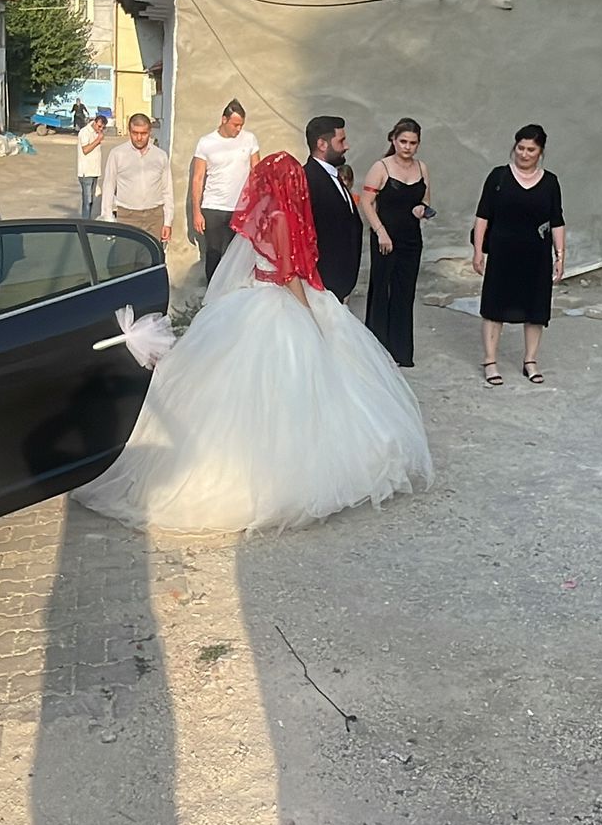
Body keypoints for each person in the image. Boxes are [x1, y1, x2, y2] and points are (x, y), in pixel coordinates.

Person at [73, 152, 433, 532]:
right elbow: (287, 273)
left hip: (253, 294)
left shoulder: (260, 211)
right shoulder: (282, 217)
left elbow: (252, 262)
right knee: (298, 384)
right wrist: (310, 313)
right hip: (279, 299)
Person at [473, 124, 565, 387]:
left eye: (531, 150)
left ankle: (530, 360)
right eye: (520, 148)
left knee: (536, 309)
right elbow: (482, 216)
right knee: (494, 307)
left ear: (541, 152)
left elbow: (557, 220)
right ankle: (490, 361)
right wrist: (478, 251)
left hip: (537, 255)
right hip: (502, 254)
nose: (524, 154)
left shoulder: (550, 182)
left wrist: (560, 256)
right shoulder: (498, 177)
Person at [359, 118, 431, 367]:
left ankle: (401, 352)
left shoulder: (422, 168)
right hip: (385, 238)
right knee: (381, 289)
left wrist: (422, 209)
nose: (407, 147)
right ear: (393, 139)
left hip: (411, 238)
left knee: (405, 292)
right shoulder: (381, 167)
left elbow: (426, 200)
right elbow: (366, 202)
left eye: (413, 143)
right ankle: (377, 350)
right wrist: (381, 232)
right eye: (403, 141)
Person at [191, 100, 260, 280]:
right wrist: (196, 211)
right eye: (235, 125)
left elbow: (257, 172)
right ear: (224, 120)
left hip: (240, 207)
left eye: (241, 125)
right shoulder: (206, 142)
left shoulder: (249, 139)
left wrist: (256, 205)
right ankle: (212, 291)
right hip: (213, 206)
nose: (238, 129)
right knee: (213, 253)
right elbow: (198, 178)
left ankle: (234, 290)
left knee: (236, 256)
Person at [303, 115, 362, 298]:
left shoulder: (333, 175)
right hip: (324, 280)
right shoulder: (309, 178)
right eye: (341, 141)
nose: (347, 146)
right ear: (322, 144)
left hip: (339, 280)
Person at [100, 113, 173, 243]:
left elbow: (167, 190)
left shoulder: (160, 156)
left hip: (155, 218)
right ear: (129, 131)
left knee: (152, 255)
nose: (139, 138)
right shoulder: (117, 154)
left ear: (150, 132)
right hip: (128, 217)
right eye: (135, 133)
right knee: (126, 255)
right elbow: (108, 187)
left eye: (143, 133)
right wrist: (108, 219)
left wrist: (168, 222)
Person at [76, 113, 109, 219]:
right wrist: (98, 140)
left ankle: (88, 220)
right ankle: (85, 222)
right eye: (99, 126)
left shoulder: (97, 132)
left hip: (94, 171)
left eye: (103, 128)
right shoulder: (85, 132)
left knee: (91, 200)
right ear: (94, 122)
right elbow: (85, 150)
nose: (100, 129)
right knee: (87, 201)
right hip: (86, 172)